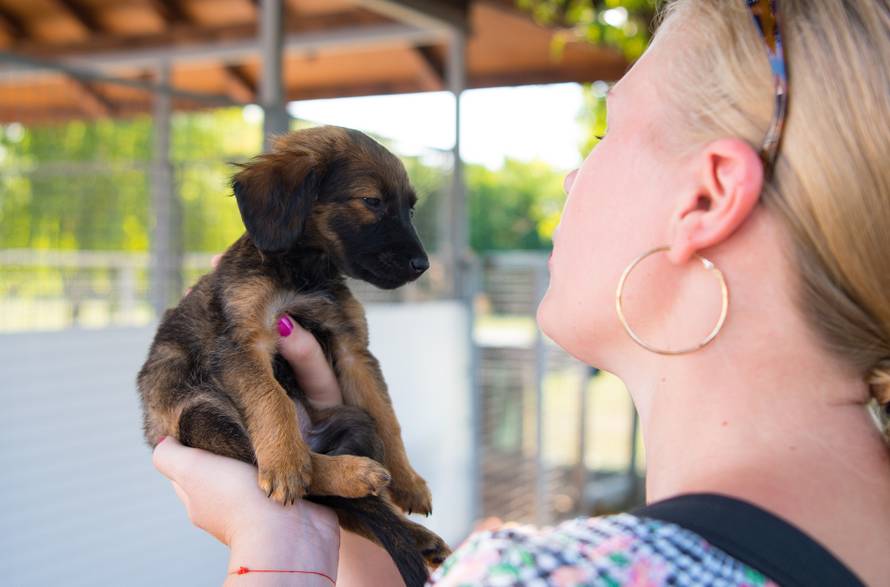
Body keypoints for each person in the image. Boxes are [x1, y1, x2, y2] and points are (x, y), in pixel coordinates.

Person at [152, 0, 890, 585]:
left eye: (607, 130)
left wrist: (271, 550)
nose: (573, 176)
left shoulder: (542, 575)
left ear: (708, 198)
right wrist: (349, 535)